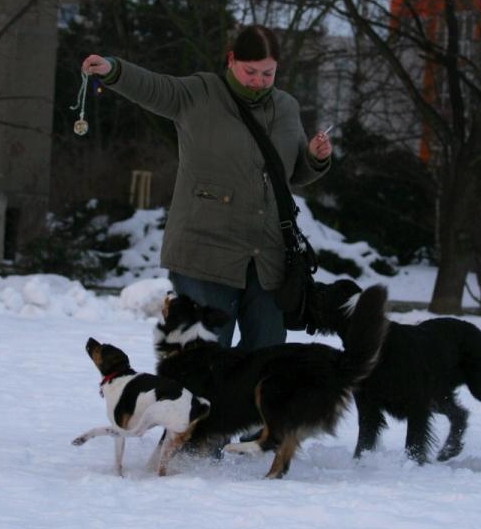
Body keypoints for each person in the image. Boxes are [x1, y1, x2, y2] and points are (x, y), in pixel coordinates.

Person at [82, 24, 332, 351]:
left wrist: (314, 157)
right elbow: (154, 87)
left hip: (267, 259)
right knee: (206, 360)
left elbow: (292, 175)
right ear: (231, 60)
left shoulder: (286, 107)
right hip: (205, 253)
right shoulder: (199, 93)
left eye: (268, 73)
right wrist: (114, 70)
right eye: (250, 71)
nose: (258, 81)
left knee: (267, 360)